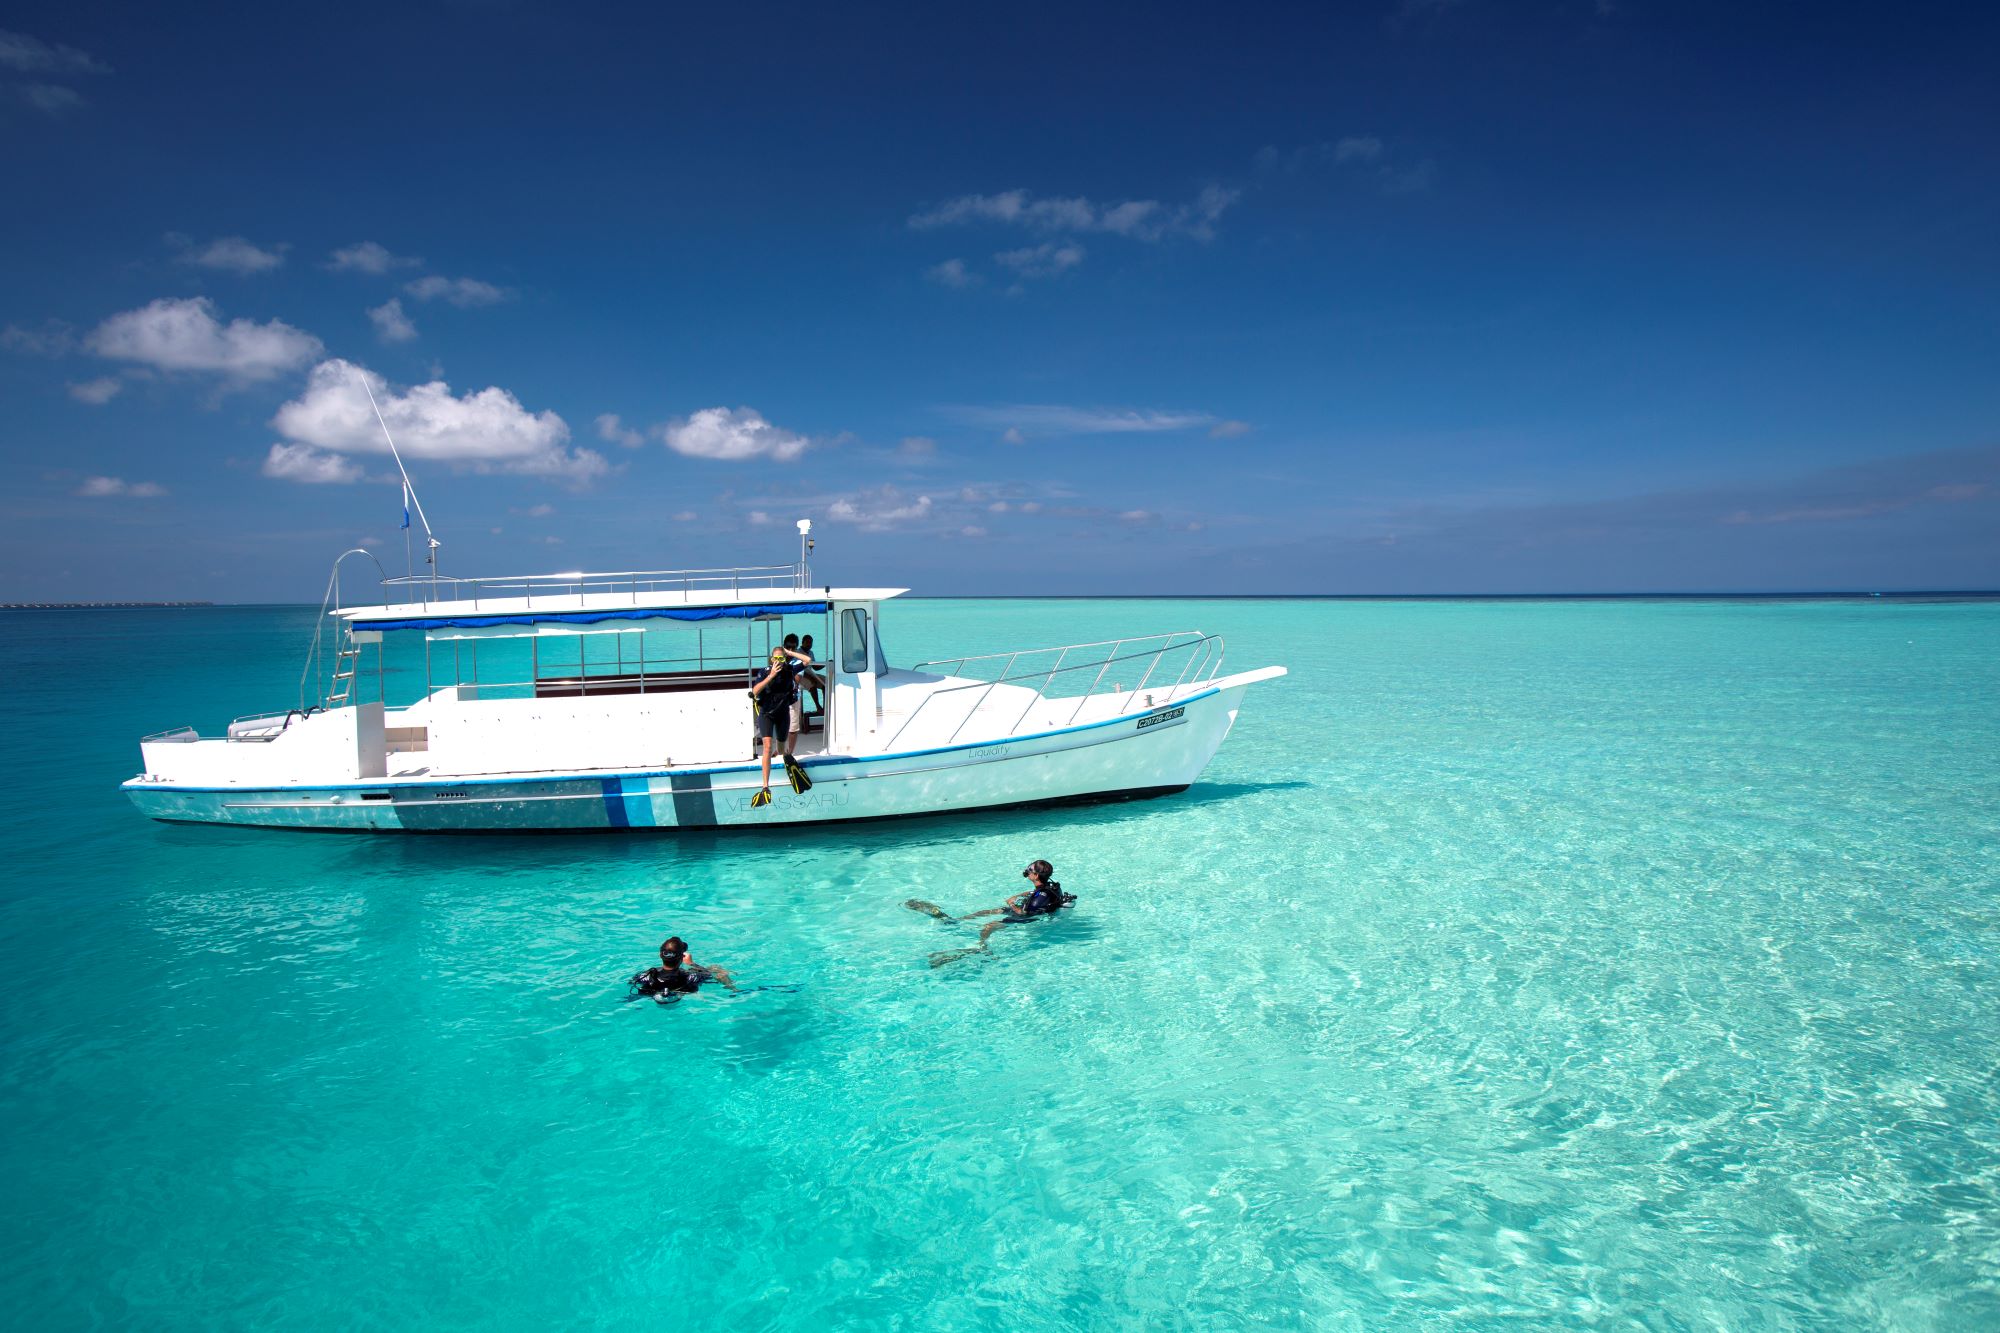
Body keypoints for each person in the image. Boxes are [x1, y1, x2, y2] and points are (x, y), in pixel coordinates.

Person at [906, 859, 1074, 966]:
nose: (1027, 870)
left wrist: (1011, 904)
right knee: (988, 911)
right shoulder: (1047, 886)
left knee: (988, 926)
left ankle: (980, 947)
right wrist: (1019, 896)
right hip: (1028, 909)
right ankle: (955, 921)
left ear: (1036, 875)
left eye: (1030, 869)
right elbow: (1034, 894)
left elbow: (1025, 915)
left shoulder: (1041, 896)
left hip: (1027, 917)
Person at [748, 644, 814, 805]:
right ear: (771, 659)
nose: (778, 661)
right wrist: (770, 676)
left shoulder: (789, 670)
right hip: (767, 714)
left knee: (783, 748)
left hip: (782, 714)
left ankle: (784, 755)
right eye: (776, 658)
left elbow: (807, 660)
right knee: (767, 746)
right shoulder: (764, 672)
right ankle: (765, 786)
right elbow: (755, 691)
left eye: (781, 658)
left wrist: (789, 652)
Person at [629, 935, 737, 1001]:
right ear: (682, 957)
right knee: (716, 968)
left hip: (651, 995)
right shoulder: (691, 976)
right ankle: (735, 990)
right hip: (682, 993)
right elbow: (709, 975)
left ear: (660, 955)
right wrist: (692, 964)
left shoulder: (647, 975)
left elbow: (632, 981)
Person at [796, 633, 825, 729]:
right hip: (801, 675)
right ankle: (818, 707)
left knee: (825, 683)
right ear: (803, 642)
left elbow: (815, 667)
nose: (809, 644)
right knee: (812, 685)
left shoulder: (811, 653)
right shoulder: (798, 652)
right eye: (807, 642)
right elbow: (800, 668)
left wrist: (825, 664)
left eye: (811, 643)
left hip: (811, 674)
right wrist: (810, 677)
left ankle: (825, 707)